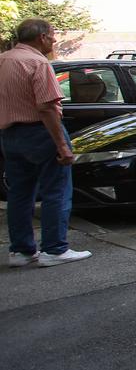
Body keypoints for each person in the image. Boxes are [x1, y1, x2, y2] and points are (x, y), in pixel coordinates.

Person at [0, 19, 91, 265]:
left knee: (19, 193)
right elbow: (47, 107)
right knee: (57, 190)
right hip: (40, 132)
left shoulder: (4, 59)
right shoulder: (37, 62)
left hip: (10, 135)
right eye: (52, 35)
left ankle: (21, 251)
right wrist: (62, 145)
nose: (54, 40)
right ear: (41, 37)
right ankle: (54, 249)